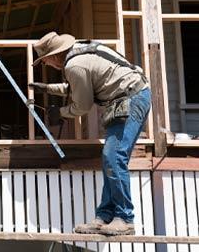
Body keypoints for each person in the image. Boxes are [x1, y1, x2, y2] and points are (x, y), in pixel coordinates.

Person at [29, 31, 151, 236]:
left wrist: (60, 113)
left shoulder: (74, 65)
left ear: (53, 56)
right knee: (111, 160)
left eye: (45, 61)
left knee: (113, 157)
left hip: (131, 99)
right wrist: (47, 88)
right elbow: (79, 87)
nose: (47, 65)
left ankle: (125, 219)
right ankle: (104, 217)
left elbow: (82, 105)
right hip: (130, 96)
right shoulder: (80, 51)